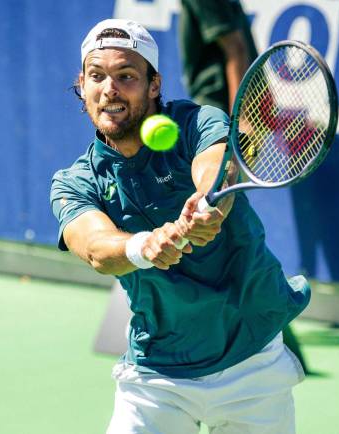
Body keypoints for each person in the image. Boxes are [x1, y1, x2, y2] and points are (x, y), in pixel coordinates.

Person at [51, 19, 310, 433]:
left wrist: (210, 202)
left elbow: (215, 165)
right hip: (157, 376)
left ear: (155, 85)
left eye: (127, 76)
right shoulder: (76, 181)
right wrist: (144, 247)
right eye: (97, 76)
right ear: (81, 84)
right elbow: (95, 246)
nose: (109, 89)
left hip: (253, 362)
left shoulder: (198, 122)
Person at [179, 0, 309, 372]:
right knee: (227, 229)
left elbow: (235, 47)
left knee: (227, 231)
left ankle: (270, 325)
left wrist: (240, 121)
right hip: (229, 115)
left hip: (220, 119)